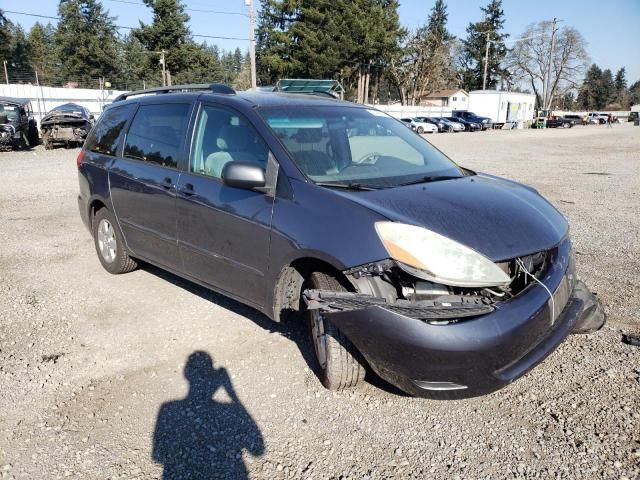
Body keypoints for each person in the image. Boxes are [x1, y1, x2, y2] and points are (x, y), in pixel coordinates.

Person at [153, 351, 264, 479]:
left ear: (186, 374)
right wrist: (233, 395)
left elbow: (159, 455)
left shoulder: (167, 410)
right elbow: (257, 449)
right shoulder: (230, 410)